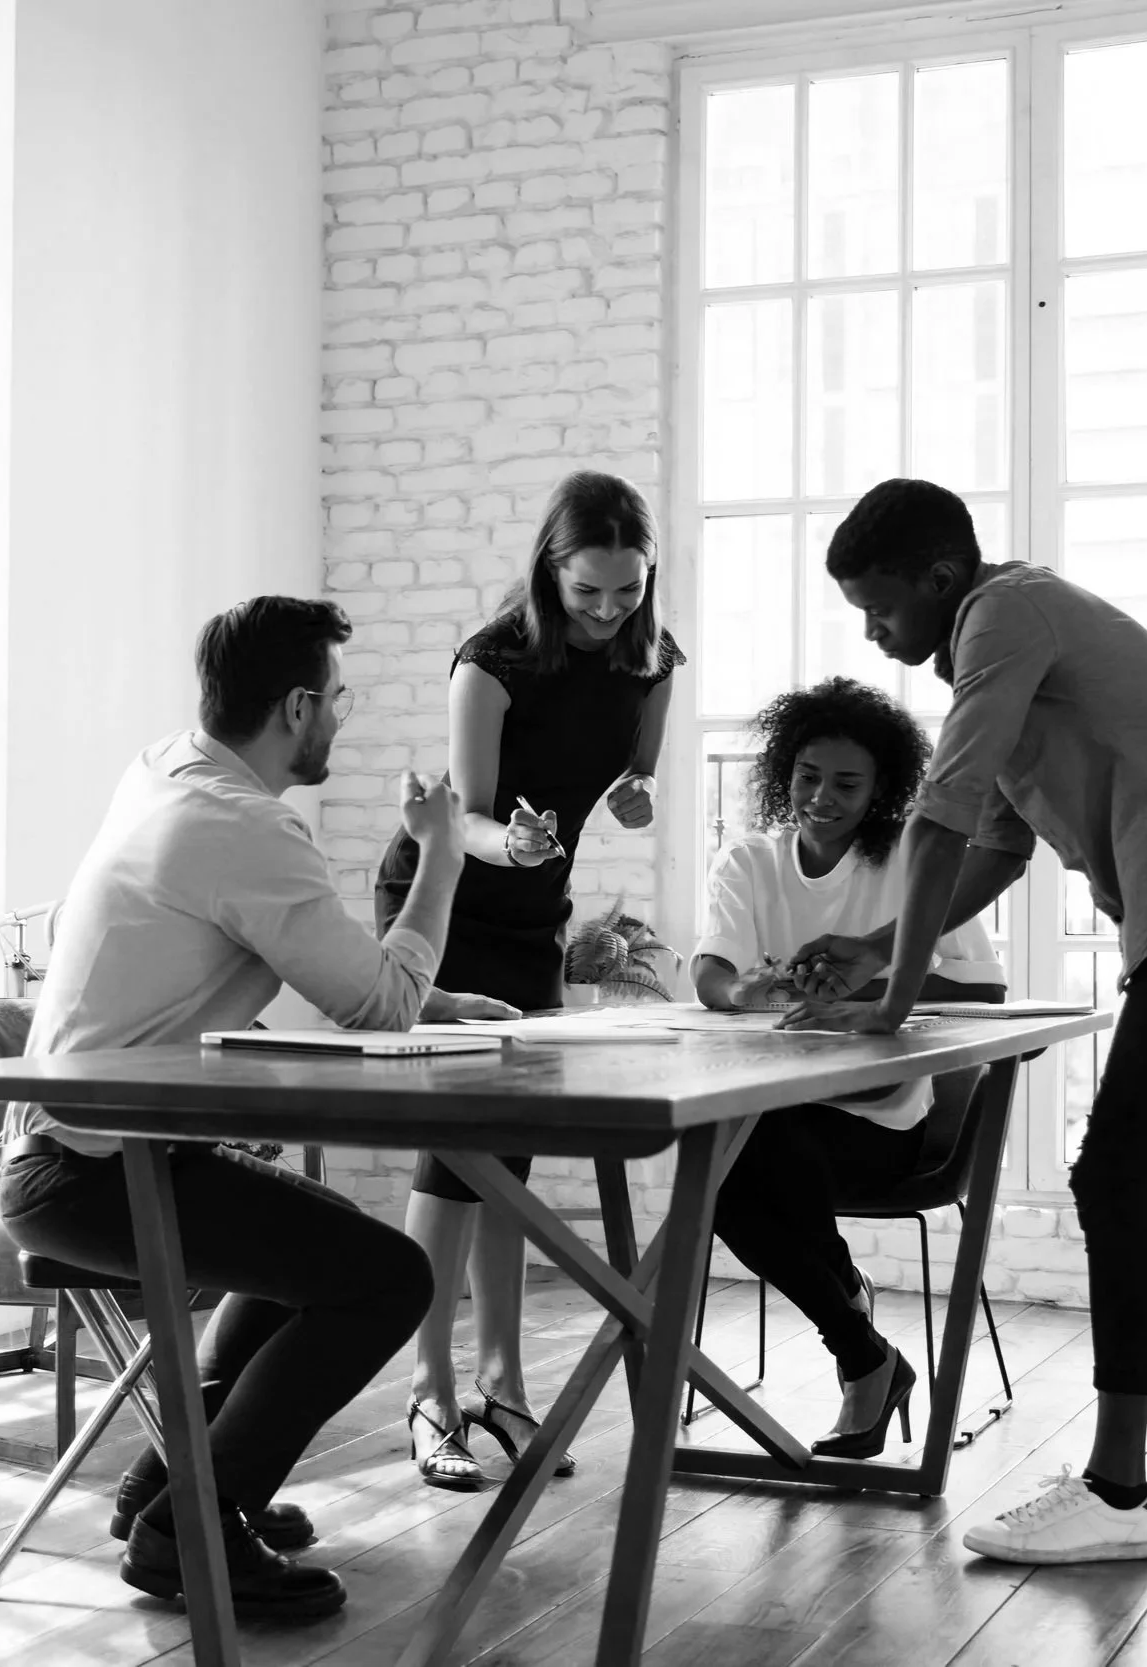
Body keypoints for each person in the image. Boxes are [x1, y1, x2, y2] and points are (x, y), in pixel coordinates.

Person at [781, 479, 1147, 1565]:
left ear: (938, 578)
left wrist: (890, 1000)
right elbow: (996, 844)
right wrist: (883, 947)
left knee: (1114, 1171)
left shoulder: (1001, 616)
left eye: (878, 608)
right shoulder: (1007, 636)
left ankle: (1116, 1489)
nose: (874, 636)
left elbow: (936, 813)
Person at [0, 595, 487, 1620]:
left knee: (330, 1250)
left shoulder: (165, 771)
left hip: (84, 1151)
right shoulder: (242, 826)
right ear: (300, 705)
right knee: (388, 1277)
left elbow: (350, 978)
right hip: (90, 1173)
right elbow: (375, 1000)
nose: (343, 718)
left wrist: (432, 998)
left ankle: (171, 1487)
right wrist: (439, 851)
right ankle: (188, 1530)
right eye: (340, 699)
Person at [374, 470, 683, 1490]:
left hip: (530, 917)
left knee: (503, 1156)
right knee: (449, 1158)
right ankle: (428, 1395)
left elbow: (631, 778)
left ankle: (502, 1386)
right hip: (443, 894)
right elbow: (458, 821)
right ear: (550, 570)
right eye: (587, 590)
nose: (606, 612)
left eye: (626, 591)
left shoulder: (651, 659)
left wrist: (634, 801)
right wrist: (507, 841)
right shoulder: (491, 663)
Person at [693, 677, 1007, 1457]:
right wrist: (742, 988)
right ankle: (865, 1354)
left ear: (883, 788)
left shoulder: (913, 856)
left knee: (741, 1158)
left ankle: (855, 1339)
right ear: (782, 772)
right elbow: (711, 971)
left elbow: (987, 987)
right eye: (806, 776)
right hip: (773, 1107)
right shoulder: (750, 859)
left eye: (846, 782)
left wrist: (872, 982)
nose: (821, 797)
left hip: (884, 1119)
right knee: (726, 1158)